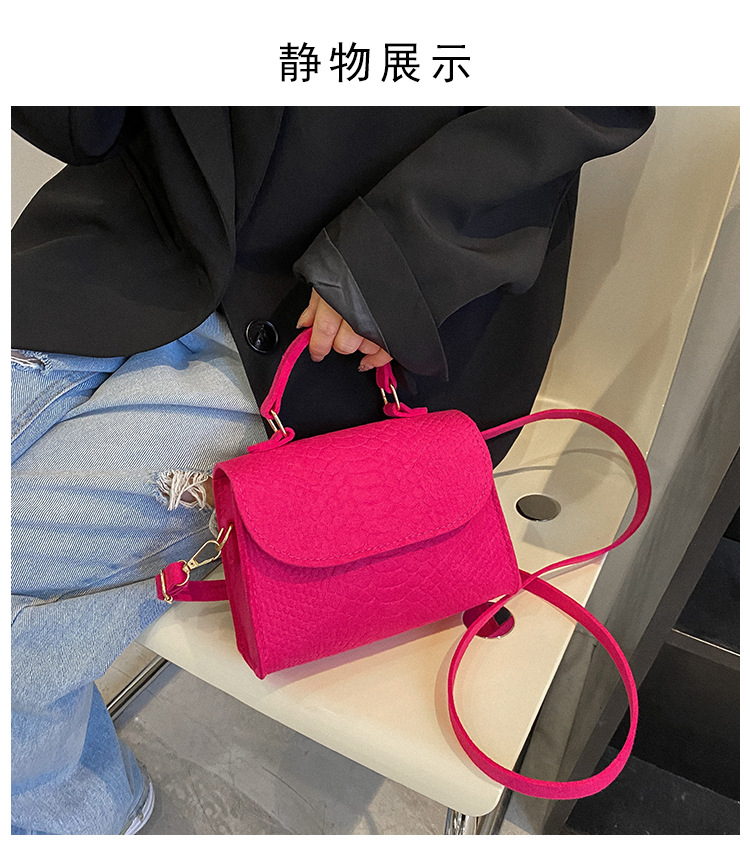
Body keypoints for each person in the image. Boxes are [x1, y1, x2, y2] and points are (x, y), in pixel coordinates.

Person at [11, 106, 655, 835]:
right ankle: (72, 801)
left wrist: (395, 259)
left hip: (351, 326)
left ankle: (74, 813)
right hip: (130, 248)